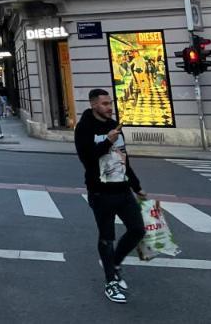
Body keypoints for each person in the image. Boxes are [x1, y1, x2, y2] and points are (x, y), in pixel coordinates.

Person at [75, 88, 146, 305]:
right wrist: (106, 142)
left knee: (137, 230)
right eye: (105, 103)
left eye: (110, 103)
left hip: (123, 189)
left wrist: (136, 186)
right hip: (100, 192)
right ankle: (110, 281)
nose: (109, 107)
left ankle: (113, 263)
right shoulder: (84, 128)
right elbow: (86, 159)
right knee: (107, 237)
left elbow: (124, 158)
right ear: (94, 104)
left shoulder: (114, 126)